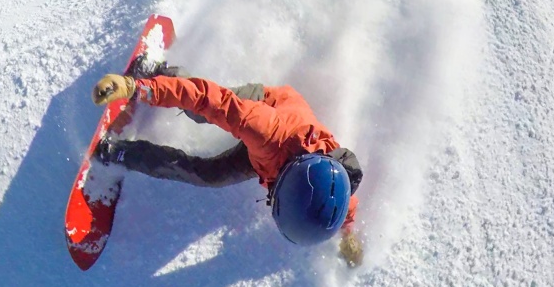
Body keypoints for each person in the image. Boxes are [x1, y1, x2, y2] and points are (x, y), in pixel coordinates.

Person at [91, 61, 364, 267]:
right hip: (264, 107)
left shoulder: (336, 183)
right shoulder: (263, 130)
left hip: (271, 159)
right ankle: (161, 72)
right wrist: (136, 88)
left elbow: (341, 207)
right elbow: (207, 99)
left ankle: (124, 152)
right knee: (200, 114)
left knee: (207, 175)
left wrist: (347, 235)